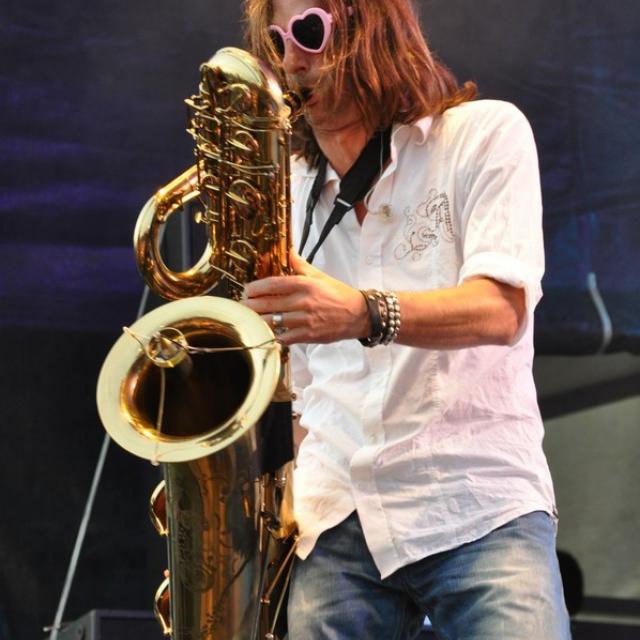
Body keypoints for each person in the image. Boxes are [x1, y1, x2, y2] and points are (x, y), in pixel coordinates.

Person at [243, 0, 571, 638]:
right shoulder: (285, 189)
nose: (291, 61)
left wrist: (363, 312)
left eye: (309, 31)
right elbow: (297, 383)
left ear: (373, 27)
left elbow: (501, 310)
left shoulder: (485, 133)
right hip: (335, 515)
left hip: (476, 500)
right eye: (277, 42)